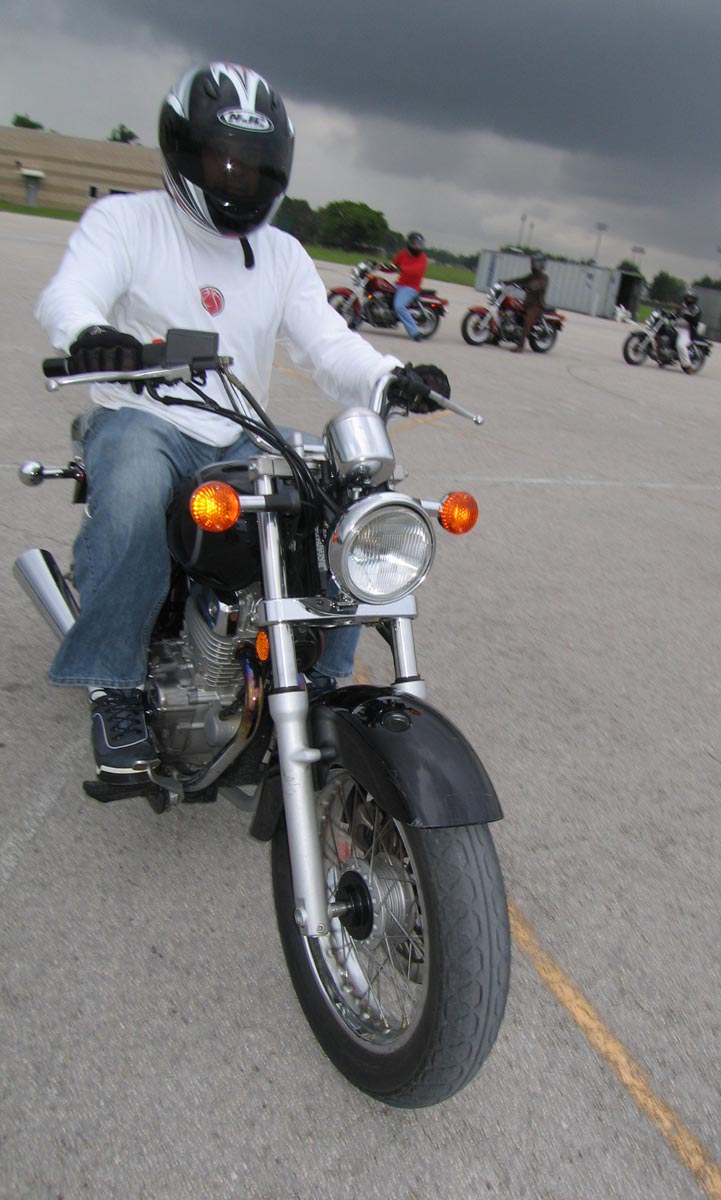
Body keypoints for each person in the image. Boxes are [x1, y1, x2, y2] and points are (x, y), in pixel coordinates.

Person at [34, 62, 445, 782]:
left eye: (254, 167)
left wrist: (389, 375)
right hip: (142, 415)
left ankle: (324, 683)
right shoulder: (125, 222)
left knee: (341, 498)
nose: (238, 179)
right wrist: (91, 335)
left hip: (234, 429)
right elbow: (70, 294)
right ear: (184, 152)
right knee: (134, 492)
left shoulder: (281, 253)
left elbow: (328, 343)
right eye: (224, 161)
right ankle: (115, 687)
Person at [504, 253, 549, 352]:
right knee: (510, 311)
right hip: (527, 304)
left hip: (537, 305)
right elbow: (521, 280)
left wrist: (529, 286)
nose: (533, 264)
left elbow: (537, 285)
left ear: (541, 264)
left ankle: (520, 345)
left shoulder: (544, 277)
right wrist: (507, 282)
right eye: (532, 262)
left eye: (535, 262)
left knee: (527, 318)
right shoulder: (532, 276)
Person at [388, 232, 429, 340]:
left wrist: (401, 268)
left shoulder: (422, 258)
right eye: (415, 244)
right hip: (399, 284)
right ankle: (357, 319)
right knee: (377, 293)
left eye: (420, 244)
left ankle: (415, 332)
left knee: (399, 306)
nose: (417, 246)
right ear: (409, 243)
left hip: (411, 287)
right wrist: (380, 266)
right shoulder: (402, 254)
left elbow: (417, 271)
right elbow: (393, 266)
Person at [676, 289, 702, 373]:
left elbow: (693, 319)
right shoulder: (682, 306)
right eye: (688, 297)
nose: (689, 300)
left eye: (691, 298)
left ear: (694, 300)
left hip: (687, 330)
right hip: (677, 326)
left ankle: (687, 366)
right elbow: (676, 314)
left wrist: (685, 316)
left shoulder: (695, 309)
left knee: (680, 345)